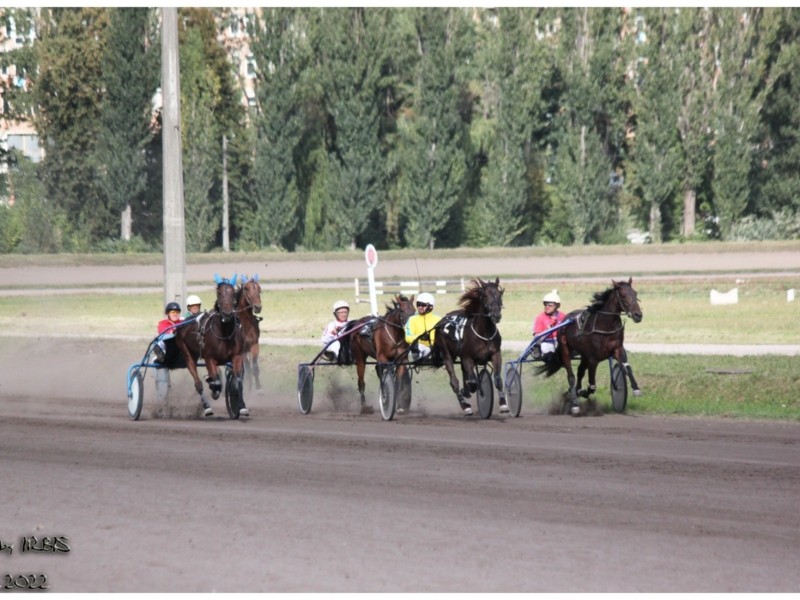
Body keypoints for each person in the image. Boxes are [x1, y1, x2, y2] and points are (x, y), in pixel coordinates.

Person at [404, 292, 441, 361]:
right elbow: (408, 337)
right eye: (418, 304)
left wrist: (431, 339)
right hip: (419, 349)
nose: (420, 307)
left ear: (430, 306)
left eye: (423, 305)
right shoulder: (412, 320)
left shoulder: (439, 320)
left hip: (435, 349)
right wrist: (420, 337)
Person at [532, 289, 566, 360]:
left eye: (550, 305)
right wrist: (547, 331)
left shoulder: (563, 317)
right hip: (546, 343)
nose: (547, 307)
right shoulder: (540, 318)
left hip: (560, 343)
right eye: (545, 304)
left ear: (557, 306)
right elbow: (537, 338)